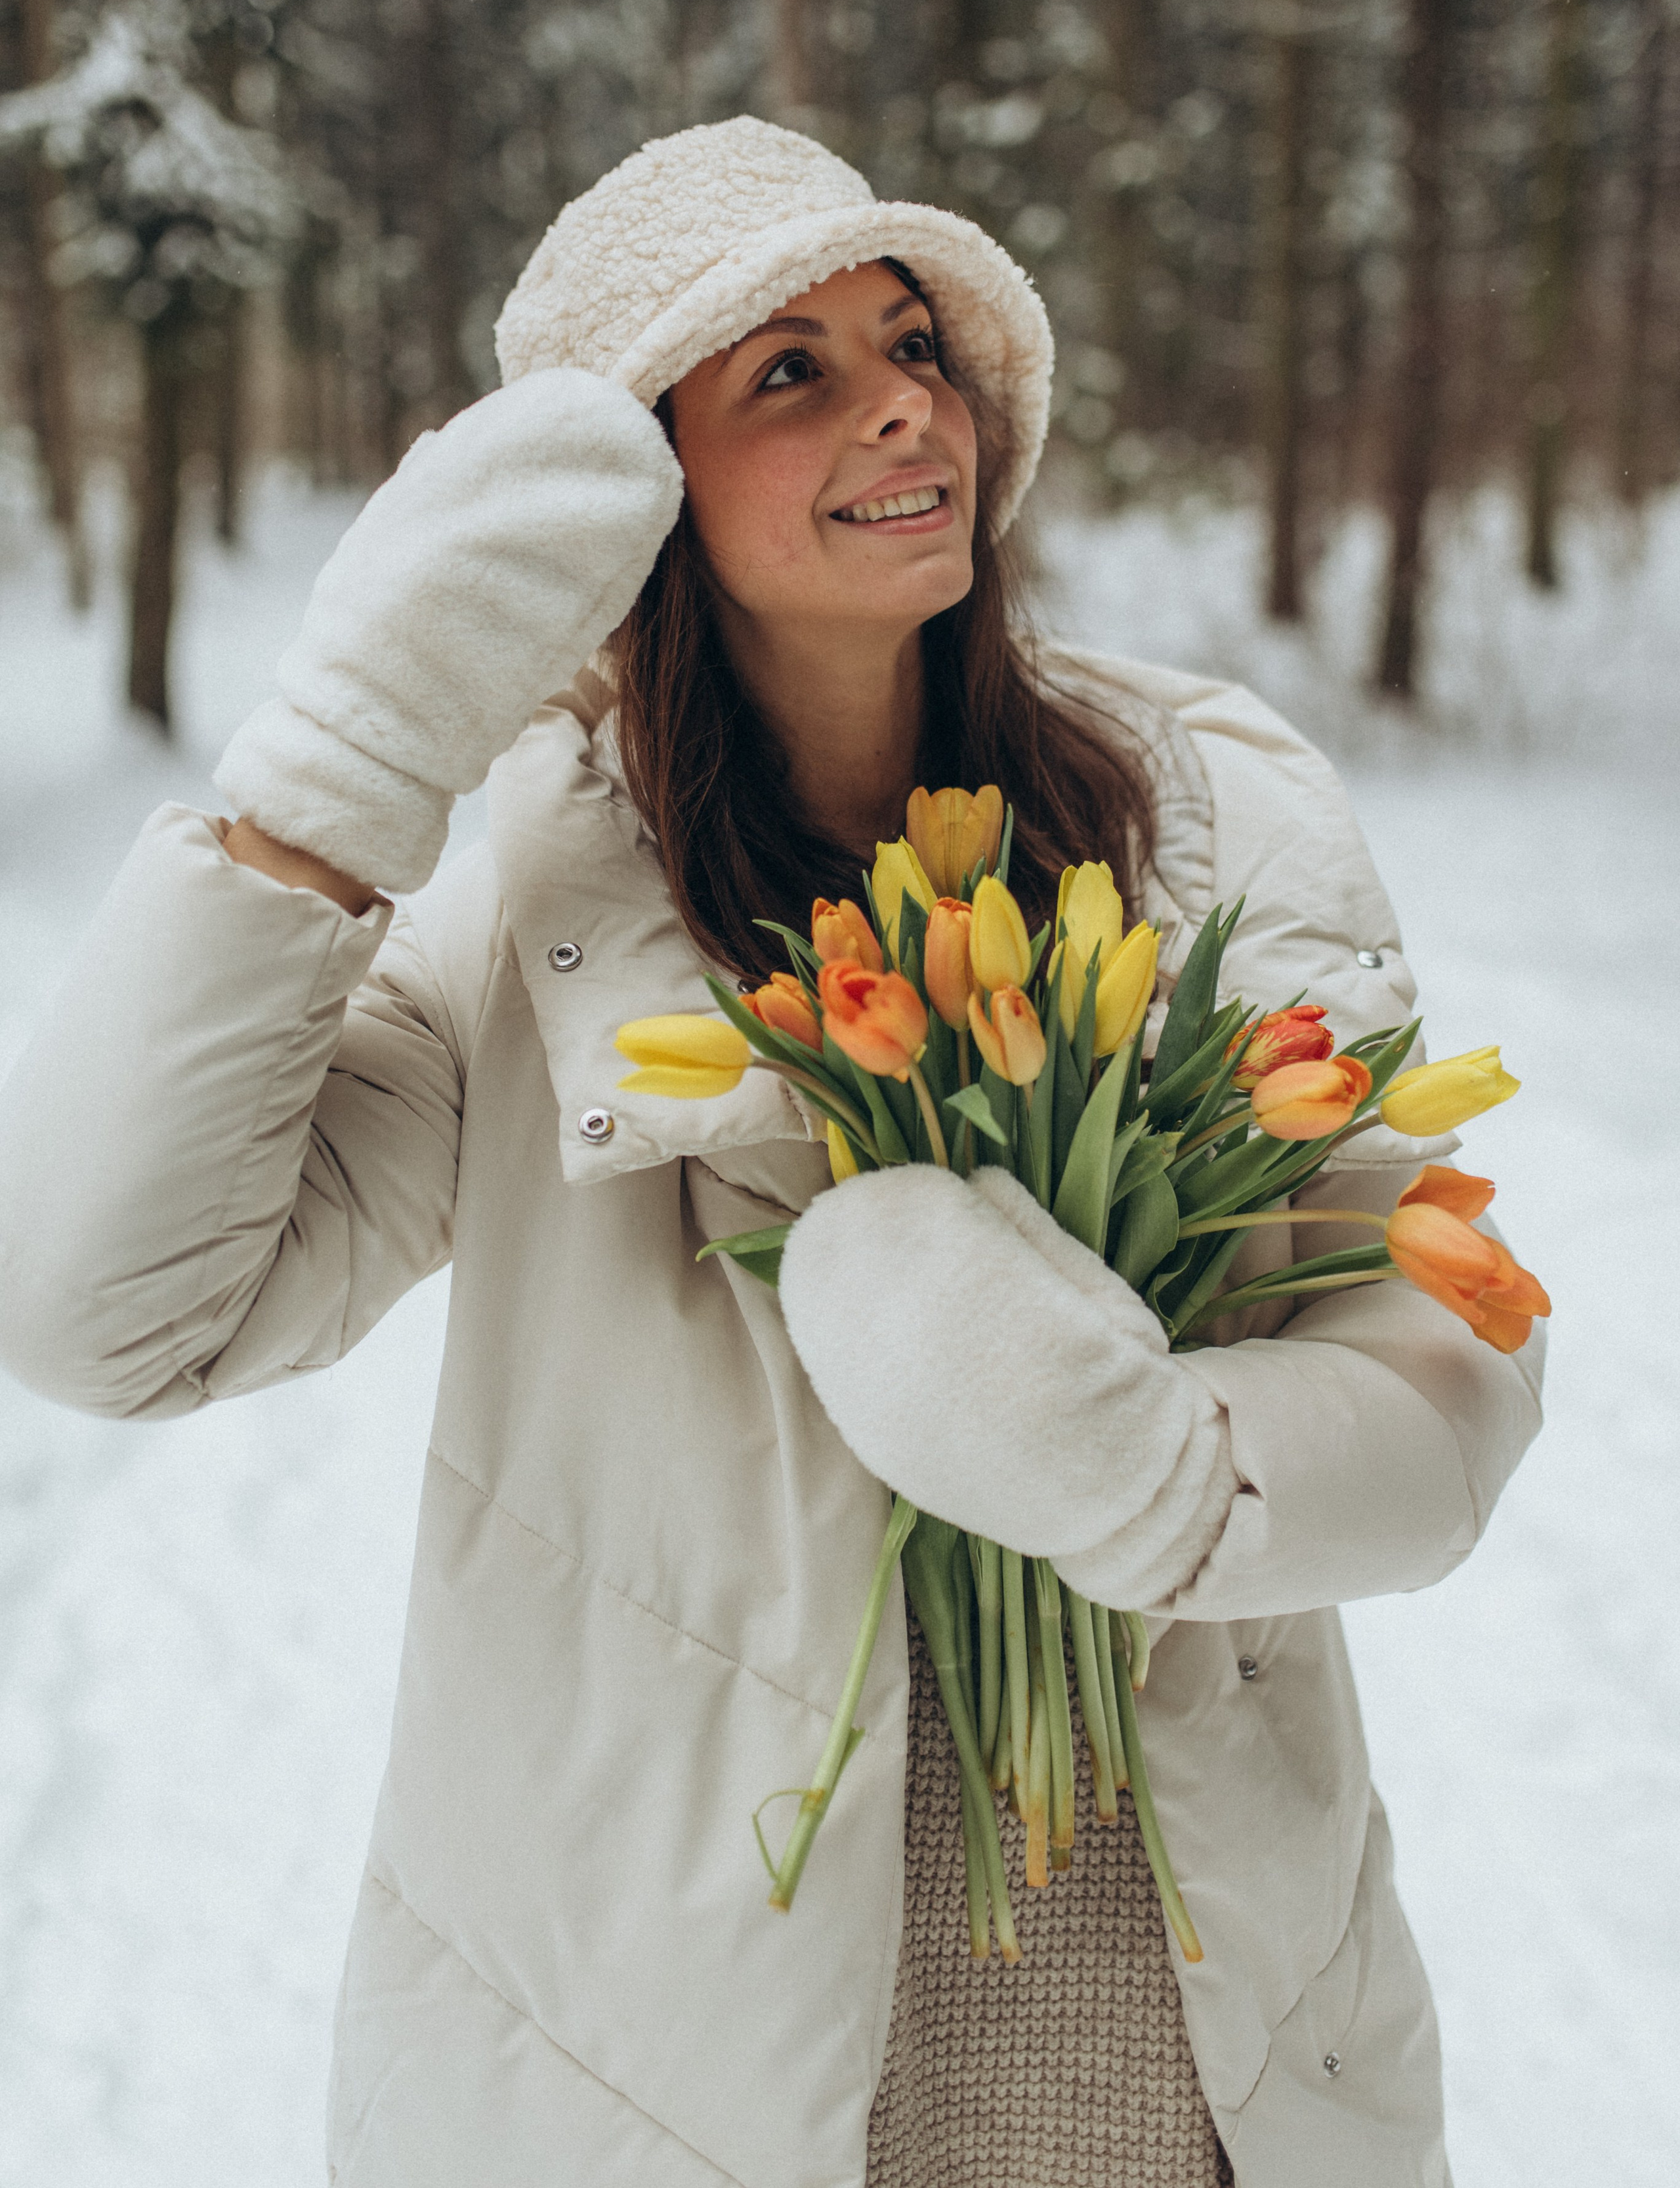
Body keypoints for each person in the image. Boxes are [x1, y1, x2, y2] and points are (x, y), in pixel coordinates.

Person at [0, 117, 1542, 2188]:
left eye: (915, 340)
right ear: (630, 489)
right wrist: (328, 786)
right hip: (668, 2086)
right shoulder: (543, 922)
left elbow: (1445, 1338)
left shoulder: (1212, 834)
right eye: (788, 369)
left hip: (1196, 2061)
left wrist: (1165, 1475)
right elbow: (105, 1312)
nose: (907, 397)